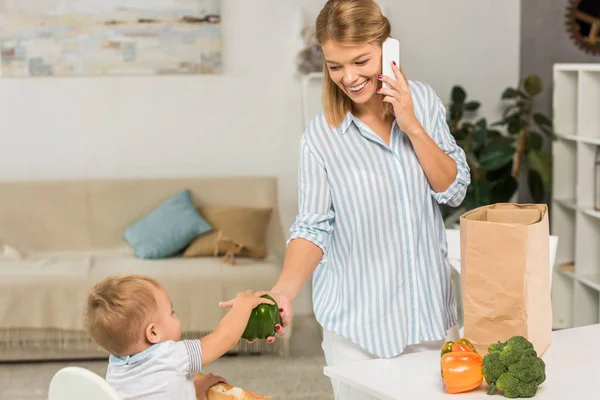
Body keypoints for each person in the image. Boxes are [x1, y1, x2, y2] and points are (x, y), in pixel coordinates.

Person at [220, 0, 470, 397]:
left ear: (387, 48)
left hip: (430, 322)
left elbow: (453, 189)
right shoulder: (321, 138)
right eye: (335, 66)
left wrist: (412, 126)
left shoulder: (422, 101)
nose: (349, 77)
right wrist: (283, 290)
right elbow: (313, 225)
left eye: (360, 61)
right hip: (358, 329)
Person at [84, 274, 273, 400]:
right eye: (171, 312)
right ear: (153, 333)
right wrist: (244, 304)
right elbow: (224, 337)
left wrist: (191, 390)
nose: (175, 314)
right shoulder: (170, 355)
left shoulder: (116, 366)